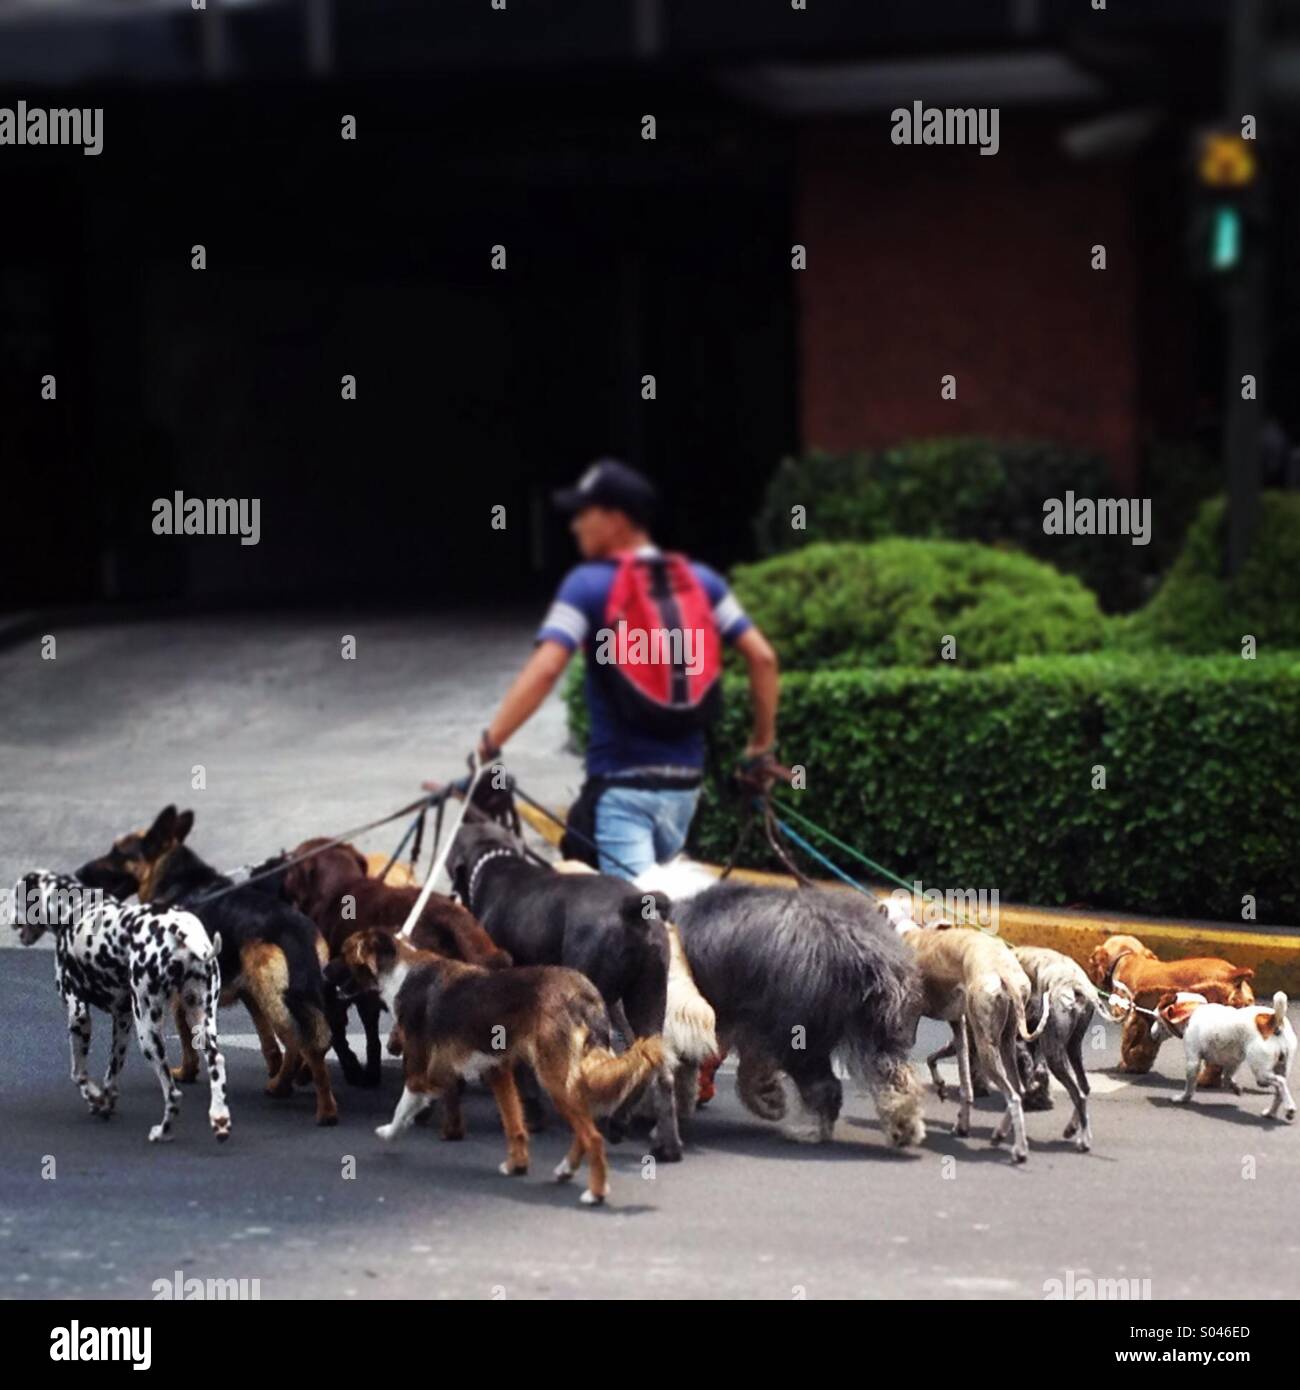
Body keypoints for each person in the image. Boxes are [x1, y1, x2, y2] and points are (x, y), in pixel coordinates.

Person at [474, 458, 780, 880]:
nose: (575, 525)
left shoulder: (587, 585)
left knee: (638, 918)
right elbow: (762, 658)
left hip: (623, 795)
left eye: (585, 513)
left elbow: (545, 669)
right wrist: (760, 746)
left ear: (616, 519)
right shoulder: (701, 580)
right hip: (685, 793)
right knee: (655, 905)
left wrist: (491, 743)